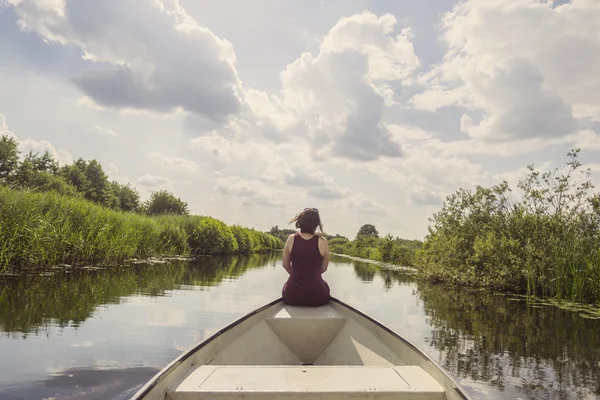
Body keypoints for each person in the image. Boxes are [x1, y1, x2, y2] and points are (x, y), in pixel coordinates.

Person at [281, 207, 331, 306]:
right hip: (317, 296)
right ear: (316, 224)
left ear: (300, 222)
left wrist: (297, 275)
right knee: (325, 285)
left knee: (286, 286)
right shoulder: (323, 241)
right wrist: (311, 276)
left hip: (292, 295)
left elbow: (285, 264)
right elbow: (324, 268)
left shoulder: (291, 239)